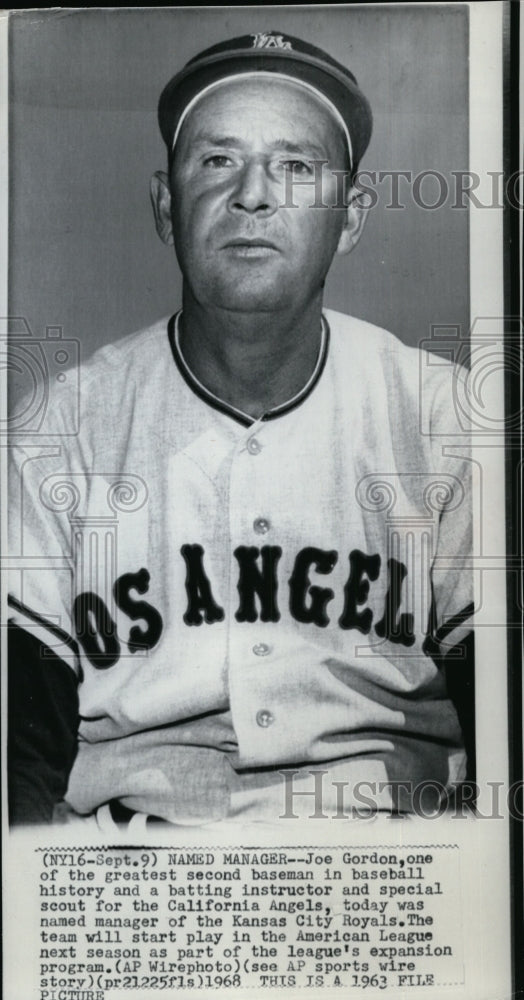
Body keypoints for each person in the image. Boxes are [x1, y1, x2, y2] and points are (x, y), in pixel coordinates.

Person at [8, 31, 474, 828]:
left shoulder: (445, 419)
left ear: (352, 217)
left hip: (394, 872)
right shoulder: (62, 429)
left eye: (296, 166)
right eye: (218, 161)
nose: (254, 194)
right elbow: (17, 760)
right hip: (134, 880)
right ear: (165, 206)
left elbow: (512, 720)